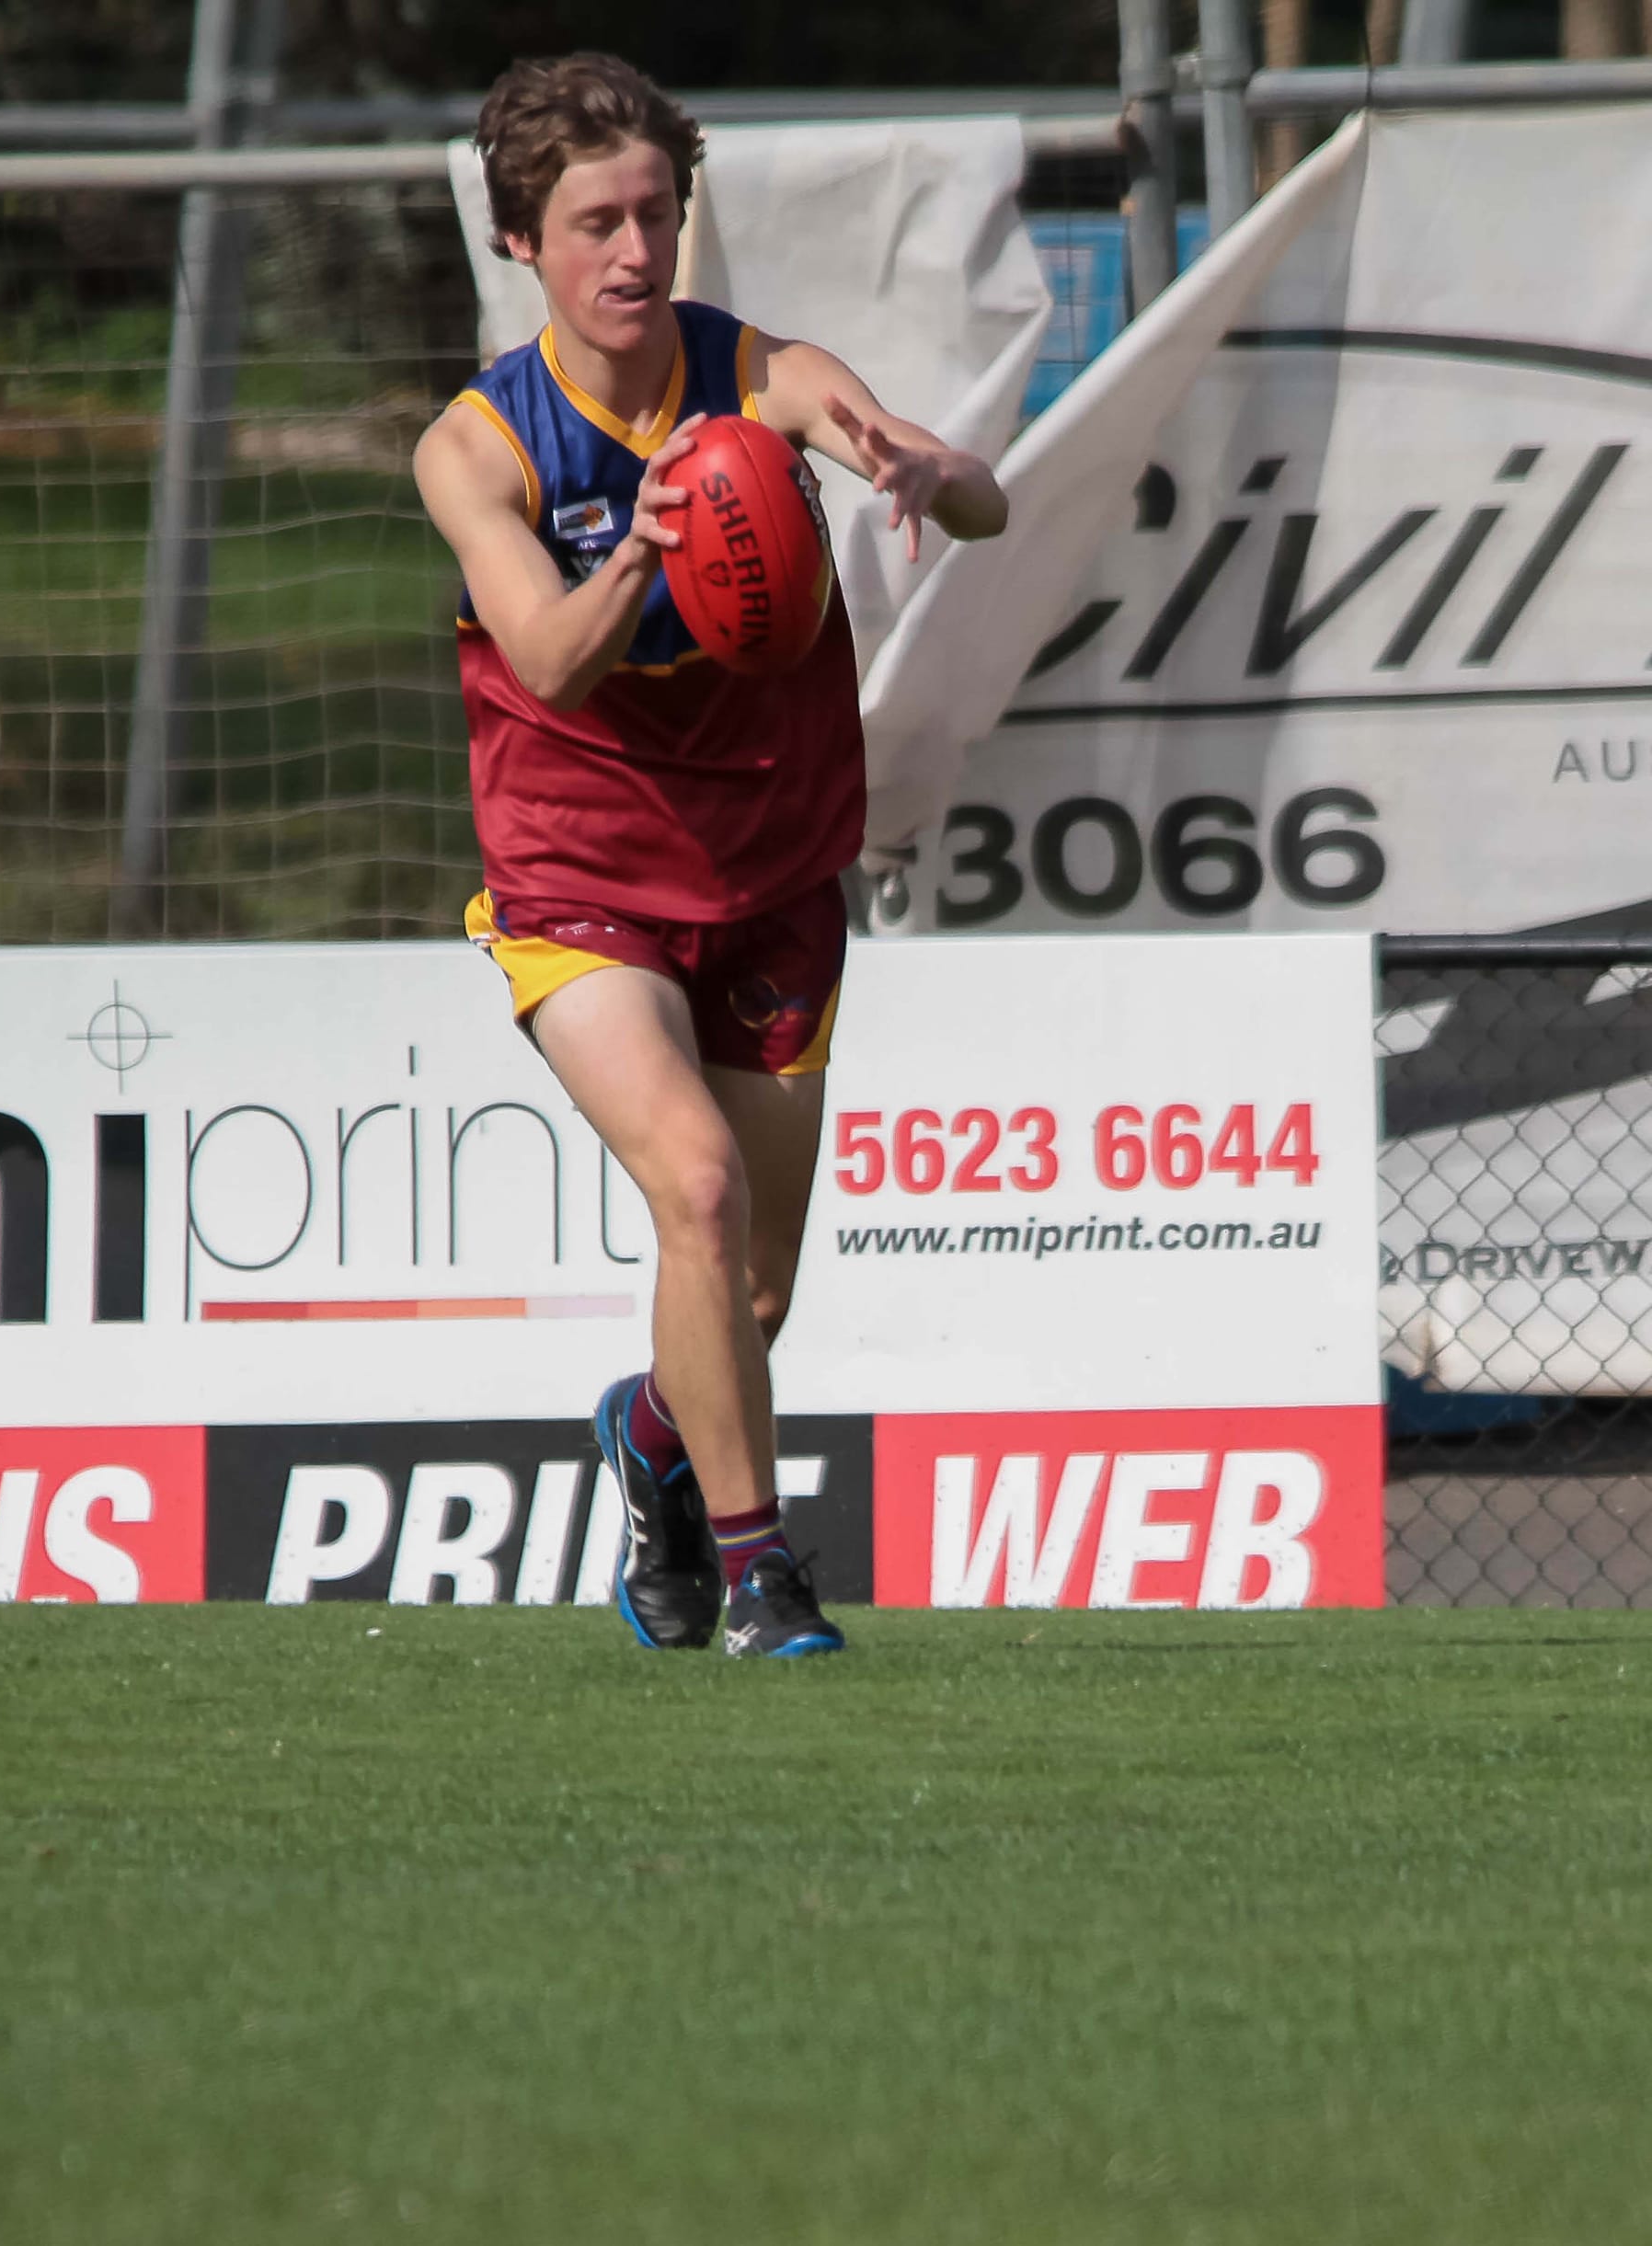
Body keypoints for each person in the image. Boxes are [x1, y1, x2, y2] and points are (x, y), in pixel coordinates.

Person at [415, 52, 1008, 1656]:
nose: (634, 251)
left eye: (656, 214)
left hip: (771, 881)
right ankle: (761, 1575)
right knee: (695, 1181)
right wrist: (649, 555)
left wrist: (937, 475)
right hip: (582, 886)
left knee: (747, 1302)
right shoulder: (480, 449)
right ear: (521, 243)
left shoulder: (758, 378)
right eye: (596, 221)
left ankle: (658, 1439)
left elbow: (959, 488)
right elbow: (543, 659)